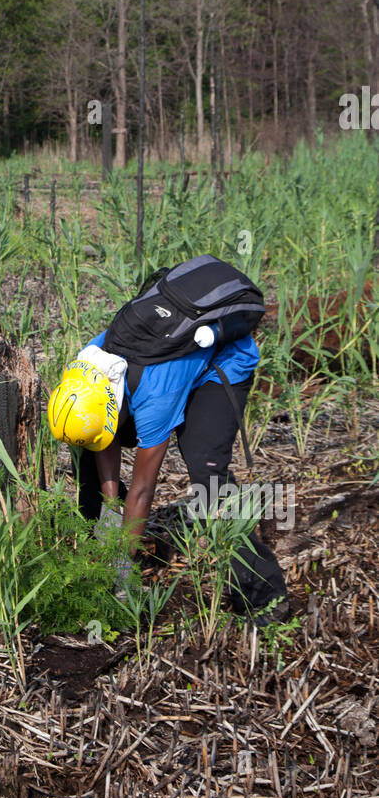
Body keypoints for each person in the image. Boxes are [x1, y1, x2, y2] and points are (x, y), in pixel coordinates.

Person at [48, 259, 289, 626]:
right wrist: (111, 514)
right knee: (85, 451)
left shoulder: (153, 400)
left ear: (115, 409)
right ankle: (94, 549)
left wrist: (123, 564)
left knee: (206, 473)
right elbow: (101, 441)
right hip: (159, 375)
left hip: (220, 366)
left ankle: (263, 598)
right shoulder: (89, 370)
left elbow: (144, 489)